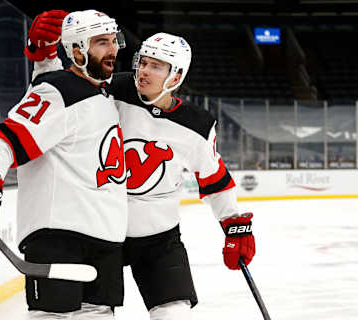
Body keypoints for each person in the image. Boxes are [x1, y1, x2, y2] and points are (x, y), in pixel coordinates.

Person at [26, 13, 256, 320]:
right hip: (102, 232)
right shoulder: (112, 90)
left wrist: (234, 227)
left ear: (175, 77)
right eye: (143, 62)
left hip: (158, 240)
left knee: (174, 314)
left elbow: (215, 180)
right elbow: (59, 92)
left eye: (156, 66)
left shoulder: (197, 126)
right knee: (91, 314)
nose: (144, 71)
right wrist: (44, 57)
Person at [0, 9, 129, 319]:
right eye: (101, 42)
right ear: (76, 50)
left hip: (105, 239)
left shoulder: (98, 91)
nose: (112, 50)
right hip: (60, 239)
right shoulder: (58, 92)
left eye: (114, 41)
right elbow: (3, 138)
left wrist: (43, 55)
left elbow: (49, 80)